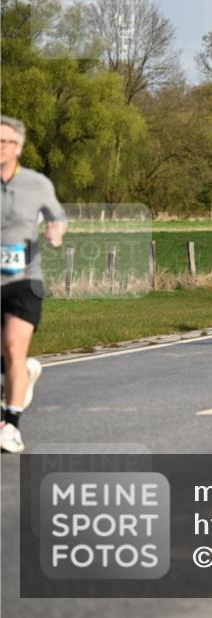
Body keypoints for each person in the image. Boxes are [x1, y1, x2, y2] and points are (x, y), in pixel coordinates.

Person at [1, 116, 68, 454]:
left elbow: (56, 215)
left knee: (13, 345)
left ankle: (11, 426)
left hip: (24, 279)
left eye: (7, 142)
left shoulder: (36, 183)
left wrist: (55, 232)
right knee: (10, 356)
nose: (1, 148)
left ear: (19, 147)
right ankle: (20, 373)